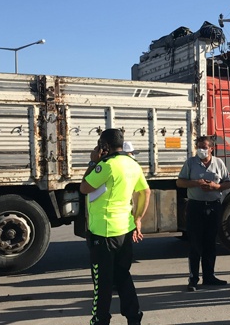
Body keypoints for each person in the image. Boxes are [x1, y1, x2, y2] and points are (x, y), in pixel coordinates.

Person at [80, 128, 151, 325]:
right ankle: (134, 318)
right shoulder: (133, 164)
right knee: (123, 276)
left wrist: (93, 161)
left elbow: (84, 187)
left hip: (103, 232)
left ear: (105, 146)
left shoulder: (106, 166)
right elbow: (145, 192)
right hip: (124, 230)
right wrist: (138, 218)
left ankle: (100, 320)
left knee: (102, 282)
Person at [176, 136, 230, 291]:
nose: (201, 149)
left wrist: (216, 186)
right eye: (198, 146)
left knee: (210, 244)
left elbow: (228, 183)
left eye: (204, 147)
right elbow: (179, 182)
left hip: (213, 207)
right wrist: (195, 183)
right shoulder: (191, 163)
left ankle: (209, 276)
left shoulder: (219, 163)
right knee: (195, 244)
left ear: (211, 148)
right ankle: (193, 279)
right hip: (195, 207)